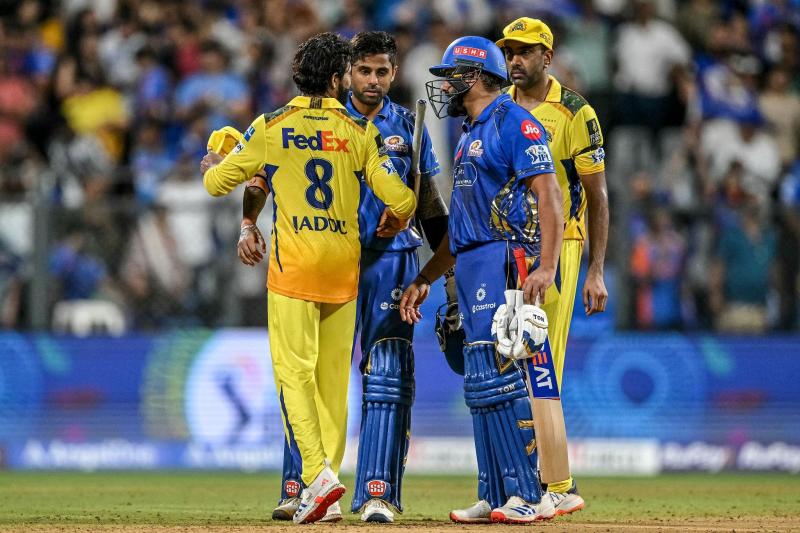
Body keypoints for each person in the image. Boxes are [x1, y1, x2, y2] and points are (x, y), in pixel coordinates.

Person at [200, 32, 417, 524]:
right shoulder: (360, 130)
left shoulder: (271, 125)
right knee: (334, 384)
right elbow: (401, 198)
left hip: (294, 269)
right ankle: (327, 491)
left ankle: (317, 477)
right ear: (339, 78)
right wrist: (399, 214)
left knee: (293, 375)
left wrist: (214, 162)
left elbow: (217, 184)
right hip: (344, 268)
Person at [261, 30, 449, 524]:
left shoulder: (407, 126)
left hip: (389, 263)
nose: (372, 80)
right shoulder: (319, 118)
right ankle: (302, 486)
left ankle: (377, 494)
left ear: (394, 72)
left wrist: (441, 272)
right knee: (308, 377)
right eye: (363, 70)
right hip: (328, 260)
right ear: (345, 75)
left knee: (387, 374)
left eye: (382, 71)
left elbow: (429, 205)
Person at [399, 35, 564, 524]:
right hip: (471, 262)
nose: (444, 87)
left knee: (502, 374)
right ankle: (493, 493)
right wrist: (427, 277)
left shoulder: (514, 121)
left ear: (473, 76)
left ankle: (528, 493)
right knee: (479, 380)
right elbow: (459, 228)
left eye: (451, 77)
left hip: (503, 257)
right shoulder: (470, 130)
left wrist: (547, 265)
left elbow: (550, 194)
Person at [495, 17, 610, 513]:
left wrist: (596, 269)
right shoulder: (499, 107)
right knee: (511, 363)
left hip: (559, 247)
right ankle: (528, 482)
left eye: (524, 51)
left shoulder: (575, 111)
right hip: (509, 246)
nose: (514, 60)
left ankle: (554, 486)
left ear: (548, 56)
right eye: (509, 52)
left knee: (541, 361)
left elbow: (597, 195)